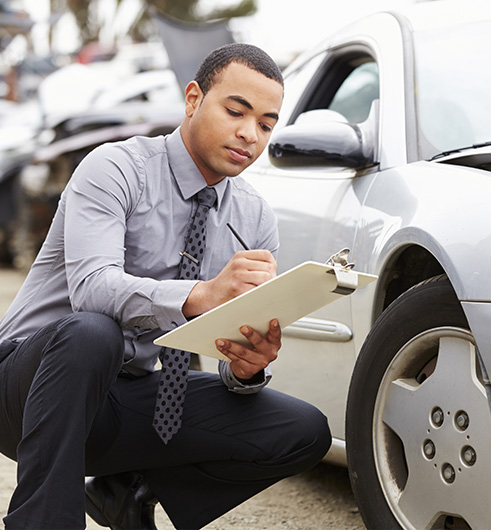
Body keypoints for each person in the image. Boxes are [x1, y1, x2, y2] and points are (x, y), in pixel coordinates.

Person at [0, 43, 331, 529]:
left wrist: (246, 367)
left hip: (126, 400)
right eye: (236, 111)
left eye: (265, 124)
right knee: (93, 332)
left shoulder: (254, 217)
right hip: (27, 389)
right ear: (193, 99)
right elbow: (92, 288)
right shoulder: (114, 168)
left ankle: (127, 493)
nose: (249, 133)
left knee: (303, 429)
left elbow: (225, 341)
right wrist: (202, 295)